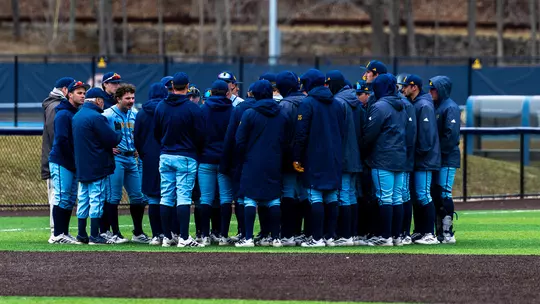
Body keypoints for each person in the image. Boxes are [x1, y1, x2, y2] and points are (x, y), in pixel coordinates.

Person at [293, 69, 344, 248]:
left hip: (314, 156)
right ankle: (329, 236)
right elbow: (342, 132)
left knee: (315, 197)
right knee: (331, 197)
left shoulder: (308, 103)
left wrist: (297, 157)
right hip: (334, 156)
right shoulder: (337, 103)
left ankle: (316, 238)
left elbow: (301, 133)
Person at [154, 72, 205, 248]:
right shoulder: (192, 108)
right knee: (183, 196)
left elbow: (156, 132)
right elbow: (200, 135)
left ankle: (167, 237)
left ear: (173, 86)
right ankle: (183, 237)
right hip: (185, 155)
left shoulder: (161, 106)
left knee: (166, 197)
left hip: (165, 154)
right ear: (188, 87)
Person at [234, 80, 288, 248]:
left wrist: (246, 155)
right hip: (275, 160)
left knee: (250, 198)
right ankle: (276, 238)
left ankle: (248, 238)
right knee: (274, 200)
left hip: (253, 160)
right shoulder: (282, 114)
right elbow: (286, 140)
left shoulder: (249, 113)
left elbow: (239, 140)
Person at [73, 87, 122, 245]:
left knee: (83, 199)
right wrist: (119, 130)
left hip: (82, 165)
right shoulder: (96, 117)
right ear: (99, 100)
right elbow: (112, 139)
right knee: (96, 199)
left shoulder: (77, 116)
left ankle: (81, 234)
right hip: (97, 165)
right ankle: (94, 234)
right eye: (103, 101)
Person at [363, 74, 408, 247]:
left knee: (385, 198)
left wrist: (364, 149)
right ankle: (397, 236)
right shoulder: (402, 105)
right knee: (397, 197)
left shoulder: (380, 106)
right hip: (400, 156)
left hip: (383, 157)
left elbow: (370, 134)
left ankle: (385, 236)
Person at [102, 84, 148, 244]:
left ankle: (138, 232)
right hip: (117, 159)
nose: (131, 101)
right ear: (118, 98)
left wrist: (137, 147)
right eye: (127, 98)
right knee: (114, 196)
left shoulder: (134, 114)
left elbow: (139, 134)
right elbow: (97, 133)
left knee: (138, 196)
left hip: (131, 158)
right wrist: (106, 147)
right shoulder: (107, 114)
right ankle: (114, 233)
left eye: (133, 98)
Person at [399, 74, 440, 245]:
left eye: (406, 86)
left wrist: (420, 153)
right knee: (418, 196)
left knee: (423, 195)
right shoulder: (417, 103)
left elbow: (426, 135)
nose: (403, 89)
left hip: (425, 159)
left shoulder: (423, 105)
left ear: (414, 87)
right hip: (420, 158)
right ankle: (421, 231)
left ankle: (429, 233)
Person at [325, 70, 363, 247]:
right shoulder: (355, 100)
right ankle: (353, 234)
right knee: (351, 194)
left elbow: (337, 132)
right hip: (356, 154)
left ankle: (345, 235)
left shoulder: (339, 102)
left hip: (344, 155)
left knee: (344, 195)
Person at [48, 80, 88, 244]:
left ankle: (63, 232)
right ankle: (57, 234)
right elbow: (63, 140)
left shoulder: (74, 112)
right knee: (63, 196)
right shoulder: (64, 114)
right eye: (79, 92)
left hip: (71, 161)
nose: (83, 95)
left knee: (70, 198)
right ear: (69, 94)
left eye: (84, 93)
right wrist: (73, 160)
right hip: (62, 160)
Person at [198, 80, 234, 246]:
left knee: (206, 198)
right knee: (225, 198)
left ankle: (205, 235)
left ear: (211, 93)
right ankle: (223, 236)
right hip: (225, 159)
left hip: (206, 158)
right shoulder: (233, 110)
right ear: (227, 93)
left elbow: (197, 135)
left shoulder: (203, 110)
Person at [219, 83, 257, 243]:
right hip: (266, 160)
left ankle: (243, 233)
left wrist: (225, 163)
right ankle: (274, 235)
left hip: (240, 159)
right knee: (272, 199)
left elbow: (233, 138)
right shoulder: (275, 108)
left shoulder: (240, 108)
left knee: (240, 198)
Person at [134, 82, 168, 246]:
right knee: (169, 196)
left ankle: (156, 235)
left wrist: (144, 154)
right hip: (167, 155)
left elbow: (137, 139)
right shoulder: (166, 109)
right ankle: (169, 233)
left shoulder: (141, 113)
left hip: (149, 158)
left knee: (154, 198)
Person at [276, 71, 308, 246]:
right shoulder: (308, 101)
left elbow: (282, 134)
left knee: (288, 193)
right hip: (307, 156)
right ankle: (303, 233)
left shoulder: (284, 105)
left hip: (288, 157)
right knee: (304, 194)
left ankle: (288, 233)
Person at [42, 76, 74, 242]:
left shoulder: (56, 105)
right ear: (65, 90)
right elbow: (58, 136)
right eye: (75, 90)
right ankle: (57, 233)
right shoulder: (56, 107)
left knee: (62, 195)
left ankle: (61, 232)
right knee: (58, 196)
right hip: (57, 159)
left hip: (58, 158)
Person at [430, 76, 460, 244]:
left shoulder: (450, 107)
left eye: (434, 89)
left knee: (444, 193)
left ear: (441, 89)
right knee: (436, 193)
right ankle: (439, 230)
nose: (431, 92)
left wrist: (438, 153)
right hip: (438, 158)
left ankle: (447, 231)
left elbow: (451, 135)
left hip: (447, 158)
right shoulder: (437, 106)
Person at [396, 75, 420, 245]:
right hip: (403, 157)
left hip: (404, 158)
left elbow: (412, 136)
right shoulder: (408, 104)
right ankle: (403, 233)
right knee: (402, 195)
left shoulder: (414, 105)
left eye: (405, 86)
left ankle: (403, 233)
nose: (402, 89)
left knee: (403, 195)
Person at [354, 80, 376, 245]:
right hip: (362, 159)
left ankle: (370, 231)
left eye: (359, 94)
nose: (356, 97)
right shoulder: (359, 109)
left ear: (367, 95)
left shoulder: (370, 109)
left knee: (369, 197)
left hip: (369, 160)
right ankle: (362, 231)